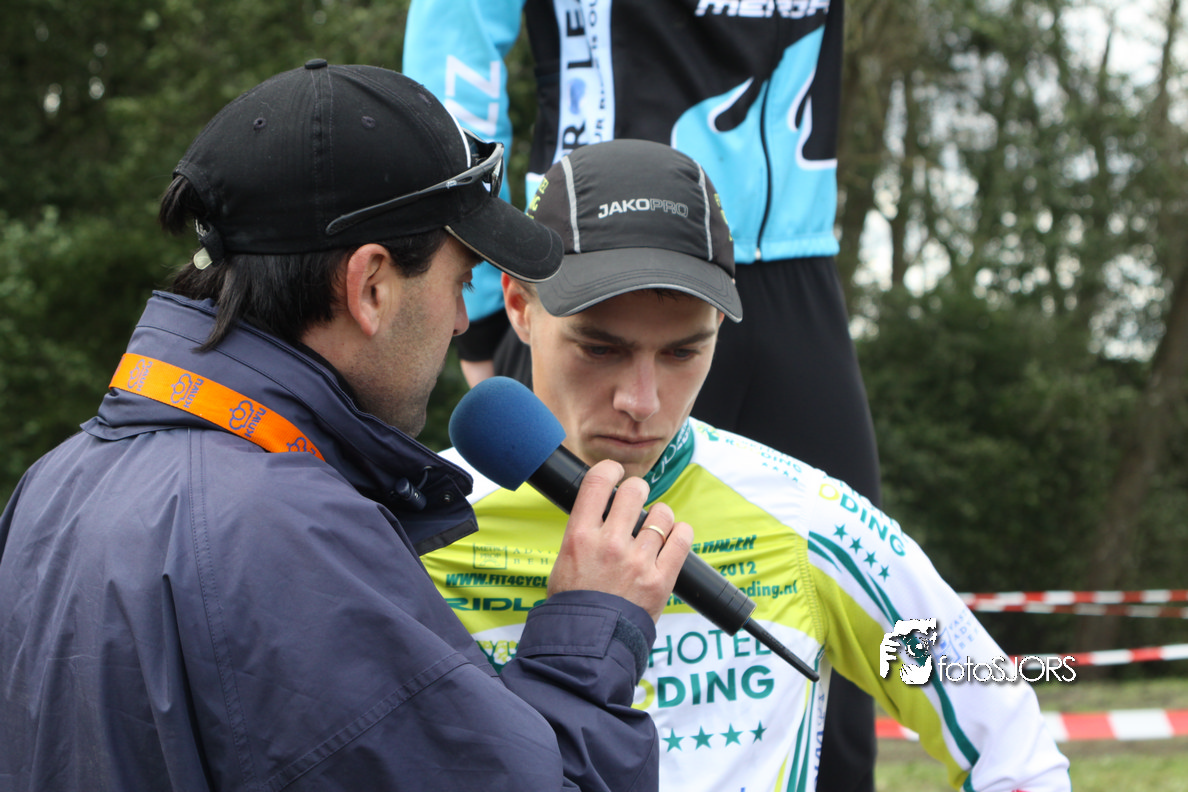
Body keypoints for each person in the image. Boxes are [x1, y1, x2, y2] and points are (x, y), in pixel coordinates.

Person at [0, 62, 695, 792]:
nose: (462, 321)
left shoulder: (55, 482)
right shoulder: (285, 534)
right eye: (459, 283)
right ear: (370, 287)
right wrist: (590, 636)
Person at [427, 140, 1072, 792]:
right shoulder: (422, 524)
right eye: (600, 348)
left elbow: (1007, 734)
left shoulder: (807, 519)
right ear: (519, 306)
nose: (641, 402)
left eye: (682, 353)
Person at [402, 4, 882, 786]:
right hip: (594, 255)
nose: (643, 397)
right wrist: (484, 297)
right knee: (557, 607)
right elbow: (457, 37)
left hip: (789, 258)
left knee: (835, 652)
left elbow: (924, 644)